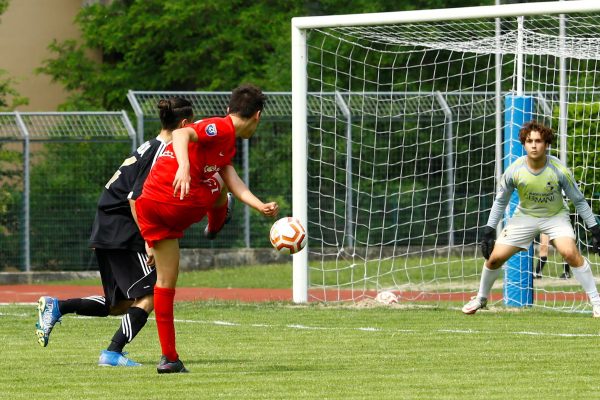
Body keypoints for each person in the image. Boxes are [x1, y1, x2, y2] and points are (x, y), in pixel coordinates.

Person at [35, 97, 234, 366]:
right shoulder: (162, 151)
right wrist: (149, 240)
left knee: (117, 304)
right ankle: (113, 352)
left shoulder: (150, 145)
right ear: (185, 124)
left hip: (107, 224)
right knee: (151, 293)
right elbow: (134, 197)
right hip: (125, 227)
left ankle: (58, 306)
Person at [135, 83, 279, 374]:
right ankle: (216, 219)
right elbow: (179, 132)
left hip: (148, 206)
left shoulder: (225, 143)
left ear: (229, 107)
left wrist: (259, 205)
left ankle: (170, 359)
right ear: (257, 116)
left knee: (165, 283)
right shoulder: (220, 128)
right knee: (216, 187)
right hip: (179, 198)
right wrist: (184, 167)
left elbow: (231, 177)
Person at [462, 120, 600, 316]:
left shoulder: (559, 170)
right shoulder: (515, 170)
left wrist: (595, 229)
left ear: (547, 144)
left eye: (538, 141)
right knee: (494, 260)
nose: (534, 145)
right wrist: (488, 230)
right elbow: (500, 201)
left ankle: (597, 302)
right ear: (524, 144)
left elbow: (578, 200)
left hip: (555, 217)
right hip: (525, 217)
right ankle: (481, 299)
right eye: (529, 141)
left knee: (569, 253)